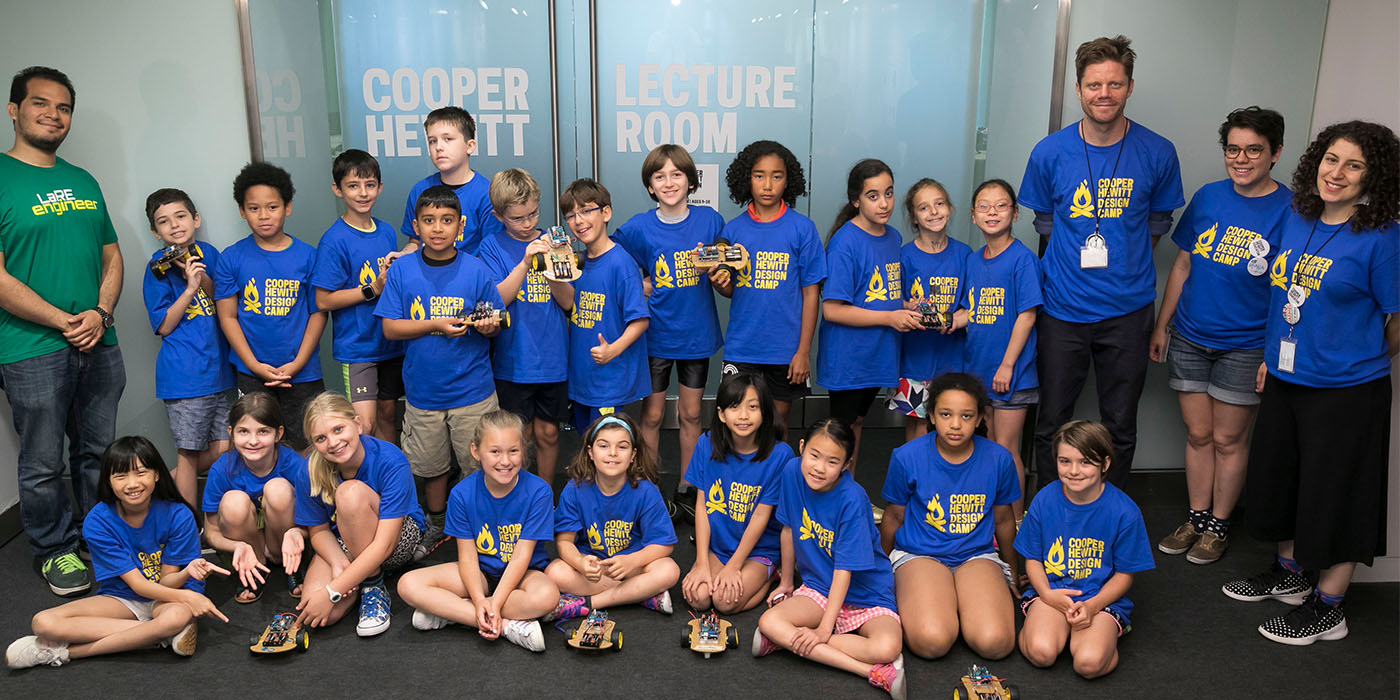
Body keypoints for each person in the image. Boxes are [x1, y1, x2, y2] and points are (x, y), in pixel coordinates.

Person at [1222, 121, 1399, 646]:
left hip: (1347, 390)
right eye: (1330, 159)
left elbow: (1396, 320)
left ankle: (1330, 605)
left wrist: (1348, 358)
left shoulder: (1383, 237)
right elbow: (1284, 294)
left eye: (1353, 165)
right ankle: (1291, 575)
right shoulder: (1298, 218)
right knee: (1283, 479)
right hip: (1284, 375)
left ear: (1375, 176)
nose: (1336, 173)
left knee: (1336, 493)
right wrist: (1277, 356)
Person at [1018, 35, 1185, 490]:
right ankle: (1051, 513)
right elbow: (1046, 225)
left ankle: (1110, 516)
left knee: (1120, 426)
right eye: (1094, 85)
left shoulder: (1157, 151)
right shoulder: (1049, 152)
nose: (1104, 94)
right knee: (1052, 420)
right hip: (1061, 310)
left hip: (1128, 312)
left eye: (1114, 84)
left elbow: (1158, 222)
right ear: (1078, 90)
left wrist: (1125, 263)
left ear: (1130, 86)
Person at [0, 66, 126, 596]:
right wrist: (62, 320)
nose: (53, 115)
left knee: (99, 453)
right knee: (43, 460)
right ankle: (55, 550)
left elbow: (112, 255)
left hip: (100, 340)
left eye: (63, 107)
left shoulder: (83, 180)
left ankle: (99, 535)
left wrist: (99, 312)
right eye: (40, 104)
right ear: (14, 110)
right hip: (31, 347)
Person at [1149, 107, 1291, 565]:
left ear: (1275, 153)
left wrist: (1273, 352)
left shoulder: (1291, 211)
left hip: (1245, 345)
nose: (1242, 159)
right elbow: (1184, 264)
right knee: (1198, 434)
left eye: (1254, 150)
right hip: (1190, 336)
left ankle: (1219, 525)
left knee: (1229, 441)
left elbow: (1291, 288)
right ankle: (1196, 516)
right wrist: (1162, 325)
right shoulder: (1209, 197)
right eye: (1233, 149)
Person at [5, 437, 228, 669]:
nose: (132, 484)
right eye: (120, 476)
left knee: (176, 617)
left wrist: (186, 579)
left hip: (167, 598)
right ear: (109, 481)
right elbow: (138, 586)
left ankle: (67, 653)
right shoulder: (98, 521)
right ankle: (161, 634)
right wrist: (189, 598)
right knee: (43, 623)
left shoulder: (178, 515)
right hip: (123, 598)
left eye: (141, 473)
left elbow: (166, 582)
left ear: (157, 475)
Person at [375, 184, 504, 552]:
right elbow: (390, 326)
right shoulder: (403, 271)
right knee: (431, 467)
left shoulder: (476, 269)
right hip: (423, 392)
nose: (437, 228)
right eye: (428, 220)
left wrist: (488, 326)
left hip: (473, 391)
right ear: (415, 225)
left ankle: (480, 525)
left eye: (446, 220)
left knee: (477, 464)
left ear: (460, 226)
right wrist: (435, 323)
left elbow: (494, 320)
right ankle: (437, 523)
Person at [753, 418, 905, 700]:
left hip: (866, 593)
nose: (819, 468)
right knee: (769, 622)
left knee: (887, 648)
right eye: (813, 456)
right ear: (802, 448)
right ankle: (869, 672)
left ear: (847, 465)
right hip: (820, 587)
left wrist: (823, 631)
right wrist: (786, 582)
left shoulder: (852, 499)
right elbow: (788, 529)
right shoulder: (791, 472)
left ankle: (787, 642)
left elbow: (844, 571)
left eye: (833, 462)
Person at [613, 144, 727, 519]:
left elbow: (724, 265)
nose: (669, 182)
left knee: (693, 414)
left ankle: (687, 489)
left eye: (676, 174)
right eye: (659, 176)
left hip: (696, 334)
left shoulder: (710, 220)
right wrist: (637, 281)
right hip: (656, 335)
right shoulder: (641, 226)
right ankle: (649, 489)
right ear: (649, 186)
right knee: (652, 415)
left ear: (690, 180)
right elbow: (612, 254)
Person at [879, 373, 1019, 660]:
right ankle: (942, 598)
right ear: (931, 415)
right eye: (946, 414)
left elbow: (1004, 519)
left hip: (976, 555)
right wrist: (878, 570)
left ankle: (961, 598)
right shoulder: (907, 456)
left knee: (996, 643)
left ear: (980, 418)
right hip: (920, 554)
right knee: (933, 641)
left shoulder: (999, 459)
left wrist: (1013, 570)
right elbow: (893, 517)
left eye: (966, 416)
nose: (956, 424)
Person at [397, 410, 557, 652]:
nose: (505, 461)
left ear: (523, 451)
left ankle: (452, 613)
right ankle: (505, 625)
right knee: (407, 584)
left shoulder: (539, 492)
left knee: (547, 597)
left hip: (523, 575)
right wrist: (481, 600)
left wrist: (496, 601)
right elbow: (468, 558)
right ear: (476, 451)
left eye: (513, 451)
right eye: (495, 451)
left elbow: (521, 557)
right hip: (479, 575)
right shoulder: (462, 494)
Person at [1016, 421, 1154, 679]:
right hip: (1052, 592)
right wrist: (1046, 593)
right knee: (1041, 652)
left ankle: (1104, 636)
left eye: (1086, 462)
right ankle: (1049, 628)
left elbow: (1125, 575)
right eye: (1064, 461)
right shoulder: (1045, 499)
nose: (1074, 471)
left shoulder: (1125, 511)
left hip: (1099, 599)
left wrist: (1092, 606)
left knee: (1088, 665)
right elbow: (1032, 559)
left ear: (1106, 464)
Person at [289, 393, 426, 637]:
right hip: (344, 538)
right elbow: (319, 531)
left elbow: (384, 545)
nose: (333, 442)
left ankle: (373, 585)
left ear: (358, 424)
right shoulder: (309, 469)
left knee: (349, 494)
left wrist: (334, 590)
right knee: (319, 613)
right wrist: (338, 562)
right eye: (321, 438)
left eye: (339, 429)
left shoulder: (390, 459)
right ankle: (359, 573)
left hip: (395, 540)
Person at [817, 159, 922, 472]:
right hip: (849, 356)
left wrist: (903, 305)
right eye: (873, 196)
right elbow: (833, 309)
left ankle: (848, 493)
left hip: (878, 353)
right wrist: (890, 318)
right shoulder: (844, 243)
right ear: (856, 200)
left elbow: (875, 294)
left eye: (888, 193)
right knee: (841, 431)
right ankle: (832, 500)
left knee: (857, 423)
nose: (884, 203)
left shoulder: (892, 238)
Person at [214, 162, 327, 450]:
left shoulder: (309, 256)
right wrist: (254, 365)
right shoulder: (231, 258)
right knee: (257, 445)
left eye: (272, 207)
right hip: (251, 373)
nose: (264, 216)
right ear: (242, 210)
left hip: (302, 372)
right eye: (254, 208)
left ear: (288, 207)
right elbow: (227, 316)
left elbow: (318, 312)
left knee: (309, 445)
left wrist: (298, 363)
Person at [718, 140, 827, 433]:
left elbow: (811, 293)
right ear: (746, 179)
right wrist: (718, 282)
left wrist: (803, 351)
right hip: (743, 347)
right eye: (759, 175)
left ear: (788, 180)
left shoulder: (802, 229)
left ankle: (774, 480)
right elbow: (730, 290)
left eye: (776, 176)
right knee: (738, 427)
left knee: (777, 428)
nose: (768, 185)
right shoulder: (732, 230)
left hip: (786, 351)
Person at [476, 168, 571, 486]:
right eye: (518, 218)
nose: (529, 223)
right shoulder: (491, 246)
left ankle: (543, 496)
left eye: (533, 214)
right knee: (520, 435)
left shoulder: (554, 240)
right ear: (498, 215)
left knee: (549, 432)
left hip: (553, 357)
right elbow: (495, 299)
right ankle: (521, 496)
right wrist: (525, 263)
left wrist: (552, 268)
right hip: (513, 361)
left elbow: (569, 303)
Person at [952, 179, 1042, 513]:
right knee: (988, 448)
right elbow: (970, 311)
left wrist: (1007, 365)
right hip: (978, 370)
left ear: (1015, 214)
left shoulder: (1023, 260)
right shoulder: (973, 261)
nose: (992, 212)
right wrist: (943, 321)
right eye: (984, 206)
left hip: (1012, 373)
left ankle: (1015, 525)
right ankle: (995, 519)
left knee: (1005, 450)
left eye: (1001, 205)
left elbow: (1027, 316)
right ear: (973, 216)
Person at [141, 187, 233, 510]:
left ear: (195, 219)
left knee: (226, 445)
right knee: (189, 451)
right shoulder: (156, 268)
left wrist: (200, 277)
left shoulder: (210, 252)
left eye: (181, 216)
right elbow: (164, 325)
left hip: (220, 370)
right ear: (155, 232)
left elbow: (222, 301)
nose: (175, 225)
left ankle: (155, 485)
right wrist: (188, 286)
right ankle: (187, 532)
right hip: (184, 374)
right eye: (164, 222)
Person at [543, 414, 679, 621]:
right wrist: (580, 562)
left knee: (669, 570)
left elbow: (664, 545)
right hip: (594, 570)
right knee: (554, 572)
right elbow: (564, 542)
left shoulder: (646, 491)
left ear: (633, 454)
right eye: (603, 446)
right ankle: (641, 595)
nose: (613, 453)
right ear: (590, 452)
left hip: (633, 567)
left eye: (622, 447)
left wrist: (632, 561)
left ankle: (588, 604)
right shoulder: (575, 489)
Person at [311, 149, 405, 443]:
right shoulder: (334, 239)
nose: (363, 193)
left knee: (390, 415)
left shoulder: (387, 232)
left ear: (379, 187)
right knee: (363, 424)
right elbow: (323, 300)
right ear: (337, 190)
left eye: (370, 185)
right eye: (353, 186)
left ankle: (391, 482)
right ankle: (362, 486)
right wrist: (372, 289)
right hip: (358, 348)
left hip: (391, 343)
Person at [681, 372, 793, 613]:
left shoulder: (780, 455)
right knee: (698, 598)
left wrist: (734, 566)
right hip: (720, 546)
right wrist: (701, 562)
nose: (743, 416)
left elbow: (761, 516)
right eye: (734, 407)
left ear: (764, 412)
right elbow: (703, 506)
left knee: (724, 602)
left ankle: (771, 573)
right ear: (721, 414)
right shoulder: (706, 443)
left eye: (752, 407)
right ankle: (724, 569)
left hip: (760, 549)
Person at [550, 179, 651, 433]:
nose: (579, 221)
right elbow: (570, 305)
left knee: (608, 448)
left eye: (586, 211)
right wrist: (553, 270)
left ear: (606, 212)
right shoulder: (577, 262)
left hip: (610, 381)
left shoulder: (621, 263)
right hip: (583, 377)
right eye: (571, 216)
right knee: (587, 446)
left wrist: (612, 350)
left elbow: (640, 320)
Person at [200, 393, 306, 602]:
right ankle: (255, 568)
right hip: (245, 546)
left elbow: (317, 518)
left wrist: (297, 533)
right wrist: (237, 546)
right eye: (244, 431)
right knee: (233, 501)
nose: (253, 441)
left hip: (284, 542)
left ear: (278, 434)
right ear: (231, 433)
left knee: (278, 489)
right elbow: (211, 532)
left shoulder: (294, 464)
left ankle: (292, 565)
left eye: (263, 431)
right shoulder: (222, 469)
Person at [887, 179, 970, 443]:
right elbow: (889, 304)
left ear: (950, 208)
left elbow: (975, 305)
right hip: (915, 359)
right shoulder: (904, 256)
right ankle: (915, 483)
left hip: (953, 359)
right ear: (913, 216)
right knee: (917, 430)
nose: (933, 212)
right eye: (924, 208)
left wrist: (958, 318)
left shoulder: (965, 255)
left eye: (939, 204)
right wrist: (905, 307)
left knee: (949, 427)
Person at [398, 106, 501, 256]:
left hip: (470, 276)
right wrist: (403, 256)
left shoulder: (487, 194)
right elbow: (415, 241)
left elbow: (491, 253)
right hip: (426, 274)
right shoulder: (420, 190)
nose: (438, 147)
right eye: (432, 141)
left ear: (470, 146)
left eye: (448, 139)